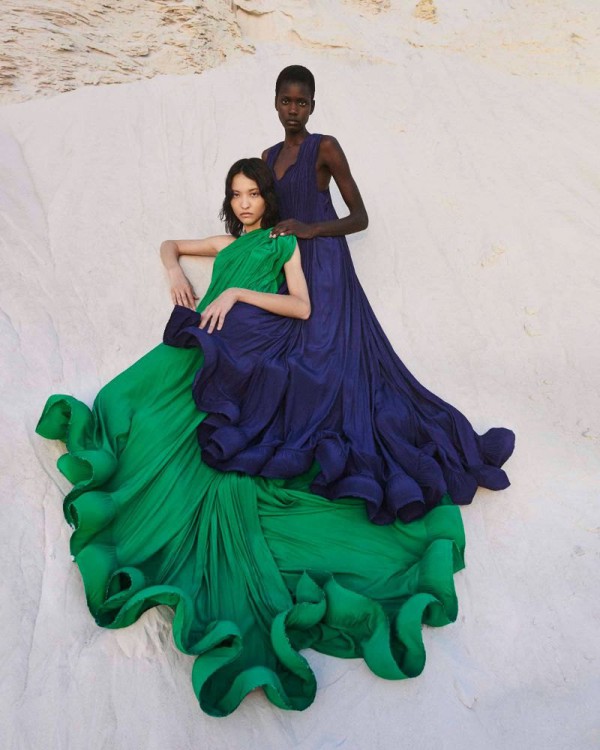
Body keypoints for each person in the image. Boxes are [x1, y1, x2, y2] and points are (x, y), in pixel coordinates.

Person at [36, 157, 465, 716]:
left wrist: (237, 294)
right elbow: (170, 244)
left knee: (207, 453)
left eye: (253, 194)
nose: (244, 204)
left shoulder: (282, 244)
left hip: (250, 348)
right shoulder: (223, 244)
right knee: (121, 401)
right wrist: (174, 272)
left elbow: (301, 306)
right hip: (207, 343)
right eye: (236, 194)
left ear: (267, 199)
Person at [164, 65, 515, 526]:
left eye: (302, 102)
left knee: (328, 359)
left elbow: (360, 216)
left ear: (313, 105)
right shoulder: (267, 156)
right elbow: (263, 216)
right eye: (286, 101)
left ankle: (348, 443)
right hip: (283, 263)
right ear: (275, 103)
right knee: (291, 356)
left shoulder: (324, 147)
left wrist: (310, 229)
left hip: (325, 262)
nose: (293, 109)